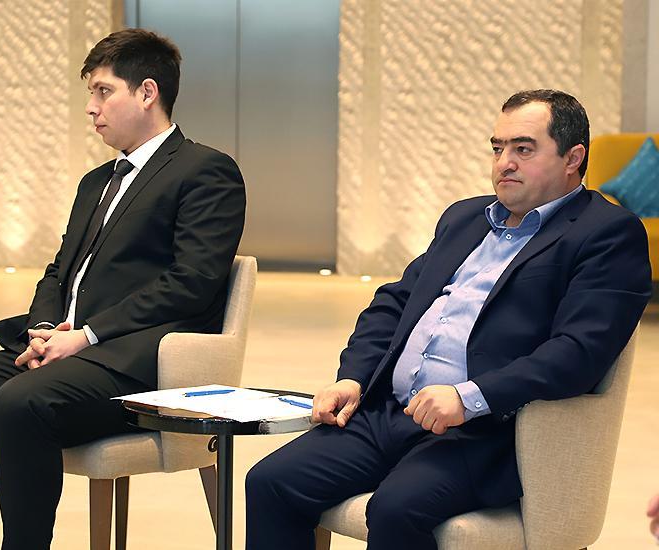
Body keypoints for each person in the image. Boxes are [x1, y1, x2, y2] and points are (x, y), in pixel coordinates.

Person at [245, 89, 651, 550]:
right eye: (497, 148)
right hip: (389, 412)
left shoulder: (607, 234)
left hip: (484, 433)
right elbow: (394, 302)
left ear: (573, 158)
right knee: (271, 482)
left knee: (396, 509)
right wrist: (353, 377)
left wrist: (468, 397)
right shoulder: (465, 217)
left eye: (523, 149)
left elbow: (579, 353)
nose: (504, 163)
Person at [0, 28, 245, 550]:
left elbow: (191, 283)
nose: (91, 107)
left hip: (134, 368)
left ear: (147, 93)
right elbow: (59, 272)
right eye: (90, 93)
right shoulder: (96, 182)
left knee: (20, 402)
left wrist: (86, 336)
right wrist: (42, 329)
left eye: (104, 91)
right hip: (65, 353)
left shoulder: (204, 171)